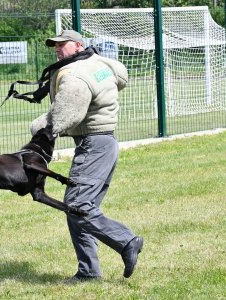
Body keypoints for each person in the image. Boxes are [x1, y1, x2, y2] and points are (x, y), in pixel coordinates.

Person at [30, 30, 143, 283]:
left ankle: (127, 241)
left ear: (78, 45)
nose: (57, 50)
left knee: (77, 206)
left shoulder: (77, 75)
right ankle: (88, 271)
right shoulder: (101, 63)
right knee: (81, 208)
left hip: (93, 145)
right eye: (55, 46)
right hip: (106, 143)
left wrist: (38, 129)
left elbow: (66, 114)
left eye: (62, 45)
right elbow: (120, 78)